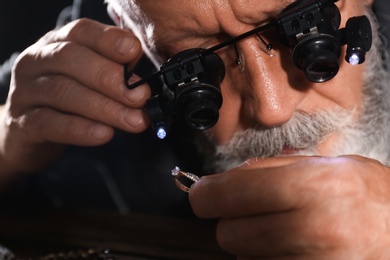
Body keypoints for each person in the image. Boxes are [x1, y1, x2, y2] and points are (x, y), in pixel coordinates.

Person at [1, 0, 390, 258]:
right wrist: (8, 147)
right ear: (128, 28)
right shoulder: (99, 52)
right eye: (193, 67)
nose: (272, 109)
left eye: (302, 33)